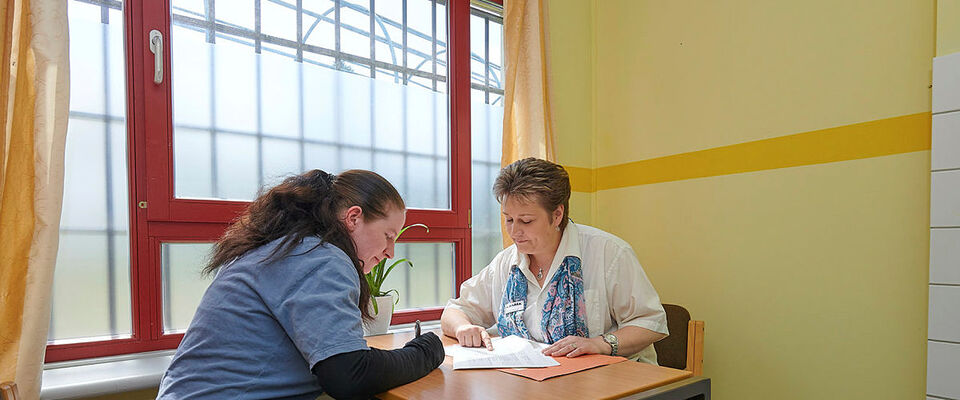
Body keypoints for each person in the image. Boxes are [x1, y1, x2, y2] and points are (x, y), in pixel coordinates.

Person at [157, 169, 444, 400]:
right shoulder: (321, 258)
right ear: (354, 218)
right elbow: (348, 376)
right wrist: (426, 350)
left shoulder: (285, 248)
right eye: (388, 235)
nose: (390, 252)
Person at [441, 158, 669, 364]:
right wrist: (464, 327)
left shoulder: (608, 252)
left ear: (557, 215)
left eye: (526, 221)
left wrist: (599, 344)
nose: (514, 231)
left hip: (613, 382)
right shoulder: (507, 262)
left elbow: (651, 323)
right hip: (538, 383)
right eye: (509, 219)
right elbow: (455, 310)